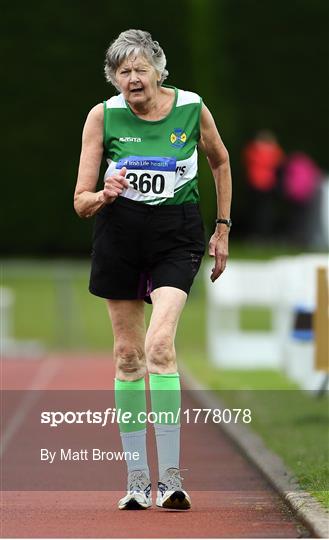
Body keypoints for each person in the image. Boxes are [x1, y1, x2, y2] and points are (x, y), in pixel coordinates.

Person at [74, 29, 232, 510]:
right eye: (122, 72)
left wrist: (222, 228)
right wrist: (105, 194)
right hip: (120, 232)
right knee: (127, 355)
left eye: (140, 68)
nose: (132, 79)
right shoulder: (102, 116)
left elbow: (220, 161)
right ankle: (137, 480)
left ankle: (172, 478)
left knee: (159, 344)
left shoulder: (192, 107)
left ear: (159, 71)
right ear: (113, 79)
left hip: (175, 232)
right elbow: (81, 203)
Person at [242, 130, 284, 239]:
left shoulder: (253, 149)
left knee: (257, 210)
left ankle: (257, 234)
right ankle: (264, 234)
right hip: (267, 185)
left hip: (256, 184)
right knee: (265, 211)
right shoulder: (272, 151)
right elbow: (279, 161)